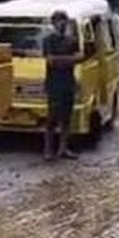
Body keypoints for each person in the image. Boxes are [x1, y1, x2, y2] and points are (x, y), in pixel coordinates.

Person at [43, 10, 81, 161]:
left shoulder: (72, 40)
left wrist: (61, 60)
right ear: (53, 23)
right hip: (54, 83)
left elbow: (80, 57)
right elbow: (50, 61)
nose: (62, 24)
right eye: (59, 21)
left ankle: (63, 149)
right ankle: (48, 150)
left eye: (64, 20)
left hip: (68, 82)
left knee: (66, 118)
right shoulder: (48, 40)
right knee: (52, 117)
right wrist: (70, 60)